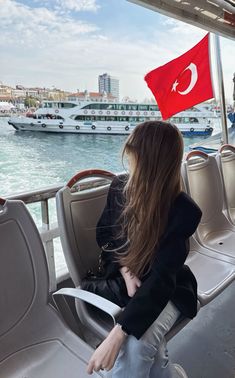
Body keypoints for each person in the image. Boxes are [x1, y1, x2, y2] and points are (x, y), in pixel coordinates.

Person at [87, 121, 202, 378]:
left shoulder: (184, 210)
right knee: (150, 351)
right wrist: (126, 270)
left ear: (147, 158)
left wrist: (118, 332)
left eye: (133, 153)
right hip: (128, 282)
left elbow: (162, 279)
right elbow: (106, 237)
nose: (129, 160)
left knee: (136, 347)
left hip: (168, 288)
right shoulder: (120, 188)